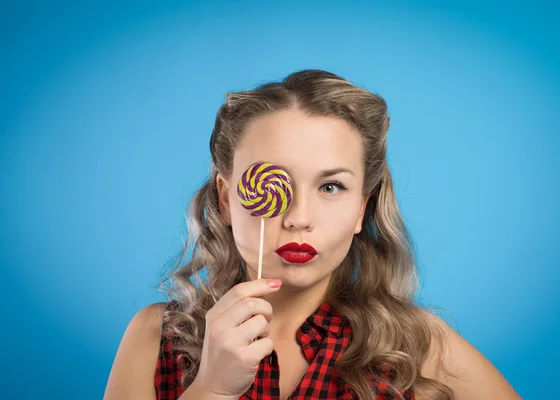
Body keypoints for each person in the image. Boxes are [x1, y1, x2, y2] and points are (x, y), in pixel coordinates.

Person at [104, 69, 522, 400]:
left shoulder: (416, 346)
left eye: (330, 187)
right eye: (275, 183)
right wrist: (211, 388)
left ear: (362, 207)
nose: (298, 218)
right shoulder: (156, 339)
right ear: (227, 198)